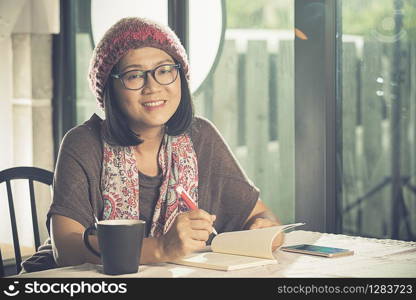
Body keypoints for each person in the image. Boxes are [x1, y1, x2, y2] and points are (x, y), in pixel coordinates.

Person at [22, 17, 283, 272]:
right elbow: (67, 250)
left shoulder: (201, 136)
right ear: (109, 90)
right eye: (134, 76)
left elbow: (264, 218)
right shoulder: (83, 142)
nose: (153, 86)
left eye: (165, 70)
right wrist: (160, 248)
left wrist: (262, 230)